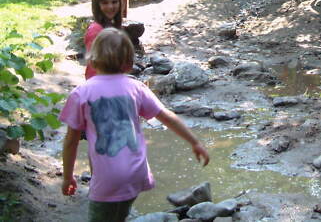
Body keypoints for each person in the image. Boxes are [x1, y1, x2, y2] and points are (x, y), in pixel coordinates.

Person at [60, 28, 210, 222]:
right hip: (135, 173)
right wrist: (194, 142)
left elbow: (71, 141)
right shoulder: (136, 87)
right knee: (119, 214)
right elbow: (167, 117)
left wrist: (68, 177)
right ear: (129, 63)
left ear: (92, 59)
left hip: (107, 178)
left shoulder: (81, 93)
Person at [85, 0, 123, 80]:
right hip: (99, 83)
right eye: (105, 3)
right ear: (97, 6)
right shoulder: (95, 30)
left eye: (114, 2)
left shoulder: (114, 26)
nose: (110, 7)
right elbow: (95, 65)